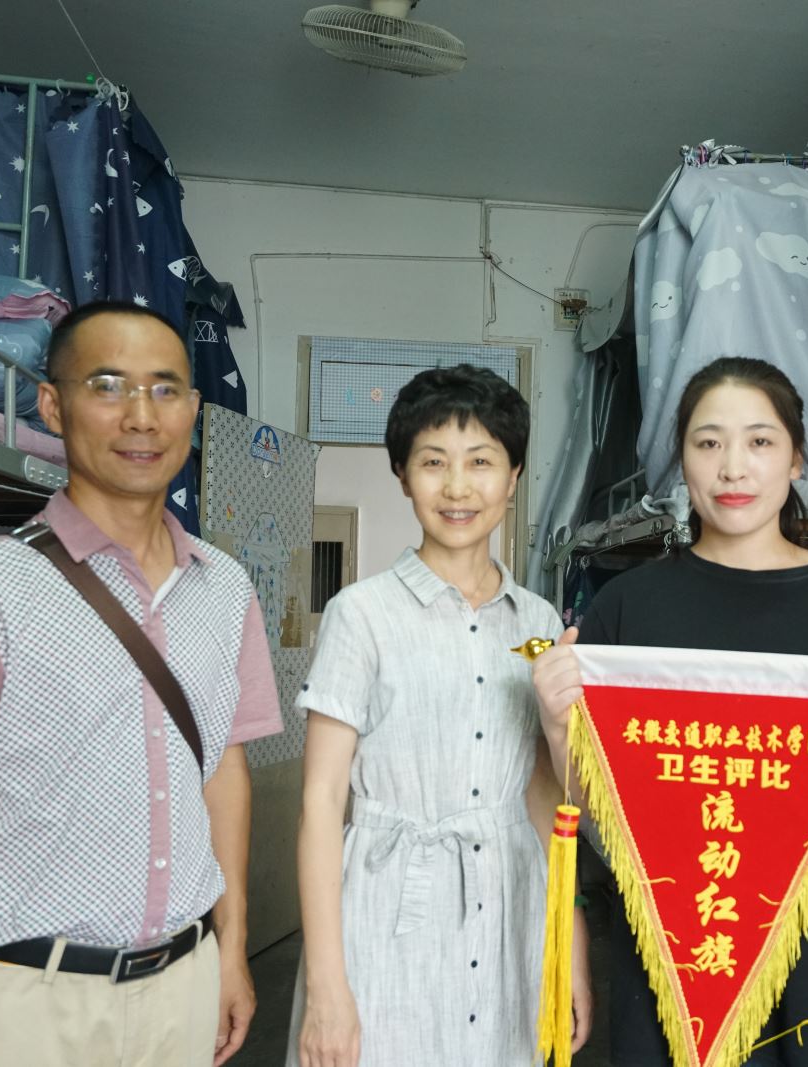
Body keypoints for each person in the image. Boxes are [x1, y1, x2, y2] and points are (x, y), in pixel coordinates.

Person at [0, 301, 283, 1067]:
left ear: (192, 409)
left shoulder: (226, 588)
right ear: (53, 405)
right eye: (108, 385)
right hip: (28, 999)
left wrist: (232, 947)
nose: (141, 416)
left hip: (184, 987)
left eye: (164, 389)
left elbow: (223, 772)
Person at [531, 356, 808, 1065]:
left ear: (795, 458)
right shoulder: (628, 605)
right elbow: (595, 811)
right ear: (682, 460)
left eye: (760, 441)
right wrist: (560, 728)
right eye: (707, 442)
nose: (732, 467)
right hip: (666, 953)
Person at [289, 365, 591, 1067]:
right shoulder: (360, 615)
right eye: (433, 462)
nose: (458, 488)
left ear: (513, 477)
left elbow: (548, 802)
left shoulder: (540, 623)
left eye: (481, 462)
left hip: (511, 912)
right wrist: (327, 988)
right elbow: (320, 802)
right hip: (386, 910)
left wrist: (568, 947)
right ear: (403, 476)